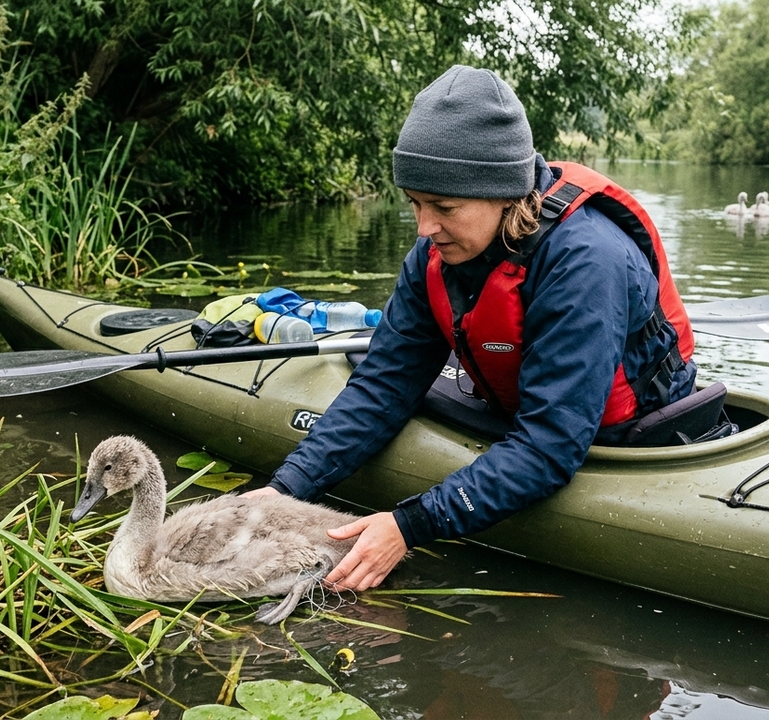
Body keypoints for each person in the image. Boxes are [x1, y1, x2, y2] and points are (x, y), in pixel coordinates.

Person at [244, 65, 697, 592]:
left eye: (443, 207)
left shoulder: (586, 260)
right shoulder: (435, 253)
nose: (424, 227)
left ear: (504, 193)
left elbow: (549, 447)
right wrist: (285, 490)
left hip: (631, 433)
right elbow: (385, 383)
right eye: (415, 203)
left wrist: (406, 526)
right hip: (527, 403)